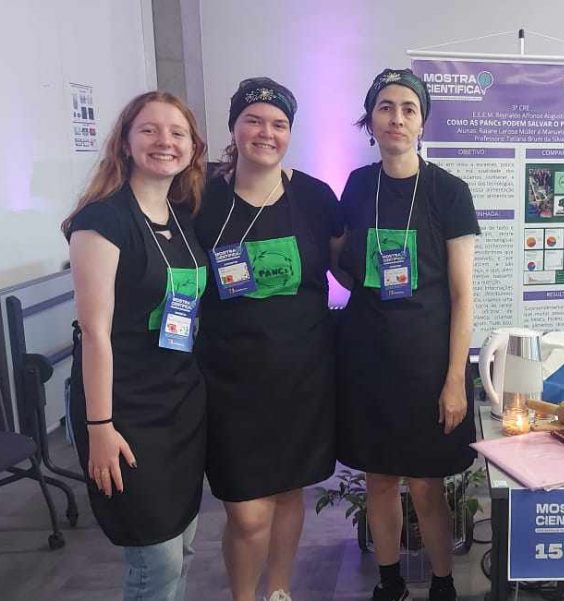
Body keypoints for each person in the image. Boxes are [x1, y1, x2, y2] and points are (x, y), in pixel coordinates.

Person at [332, 68, 478, 601]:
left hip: (427, 364)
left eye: (408, 109)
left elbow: (462, 296)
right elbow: (343, 263)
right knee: (378, 480)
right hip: (368, 358)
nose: (396, 118)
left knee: (425, 484)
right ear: (371, 120)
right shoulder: (357, 185)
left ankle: (442, 583)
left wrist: (455, 380)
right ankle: (390, 583)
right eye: (386, 107)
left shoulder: (448, 191)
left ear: (422, 122)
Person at [195, 78, 340, 601]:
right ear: (234, 127)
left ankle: (279, 591)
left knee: (287, 494)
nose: (266, 132)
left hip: (301, 375)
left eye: (279, 124)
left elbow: (344, 267)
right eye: (253, 120)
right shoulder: (200, 198)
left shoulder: (315, 197)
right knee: (247, 511)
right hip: (229, 380)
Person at [61, 91, 208, 601]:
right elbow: (94, 333)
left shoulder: (181, 217)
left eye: (177, 132)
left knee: (184, 547)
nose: (164, 141)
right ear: (125, 142)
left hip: (180, 405)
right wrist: (99, 426)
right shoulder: (101, 221)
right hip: (125, 410)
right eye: (149, 130)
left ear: (192, 148)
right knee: (156, 560)